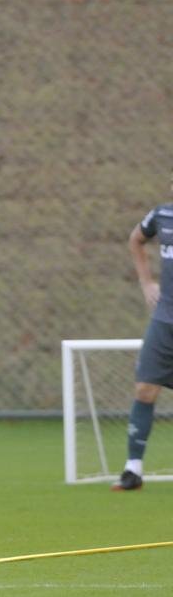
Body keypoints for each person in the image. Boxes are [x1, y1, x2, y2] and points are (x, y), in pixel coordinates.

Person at [117, 173, 173, 491]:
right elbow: (136, 238)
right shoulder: (161, 215)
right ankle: (133, 469)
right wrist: (146, 281)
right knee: (145, 389)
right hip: (165, 319)